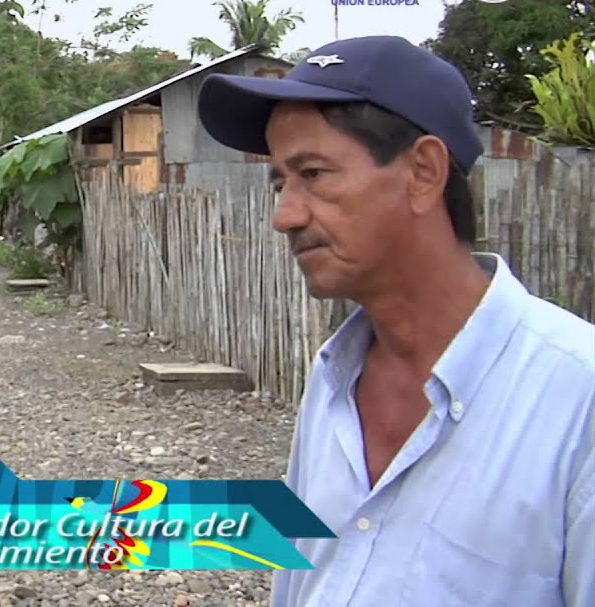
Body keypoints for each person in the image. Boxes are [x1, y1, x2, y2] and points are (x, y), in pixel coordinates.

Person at [195, 35, 593, 607]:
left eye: (313, 173)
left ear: (423, 172)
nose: (285, 215)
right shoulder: (334, 379)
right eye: (281, 183)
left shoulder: (577, 400)